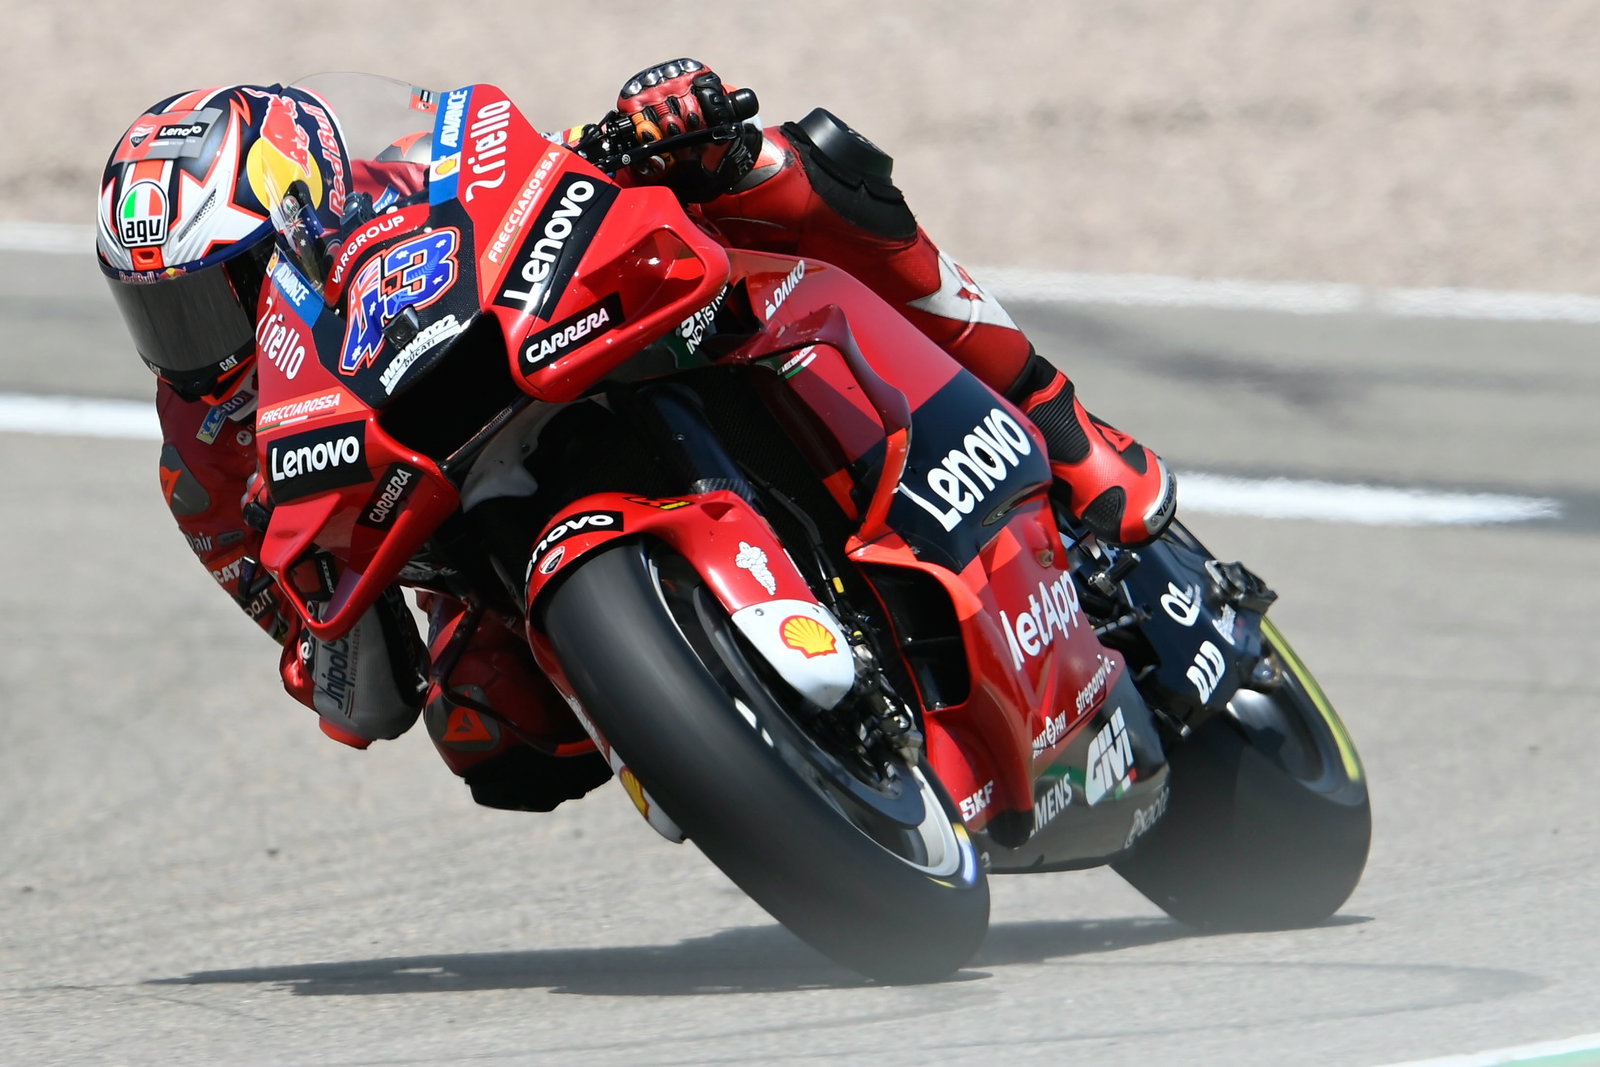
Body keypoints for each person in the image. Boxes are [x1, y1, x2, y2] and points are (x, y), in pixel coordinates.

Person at [96, 62, 1176, 812]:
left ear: (301, 209)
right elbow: (349, 686)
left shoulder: (395, 179)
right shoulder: (201, 464)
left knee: (778, 165)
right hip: (481, 544)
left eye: (213, 295)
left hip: (577, 351)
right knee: (492, 735)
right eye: (162, 313)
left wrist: (654, 124)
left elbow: (518, 163)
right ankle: (737, 732)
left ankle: (1062, 426)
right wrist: (332, 621)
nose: (194, 346)